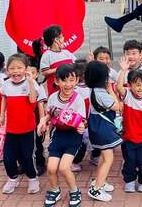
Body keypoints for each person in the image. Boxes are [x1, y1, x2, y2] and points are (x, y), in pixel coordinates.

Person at [37, 64, 86, 207]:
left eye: (72, 80)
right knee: (51, 168)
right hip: (58, 136)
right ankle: (54, 190)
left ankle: (74, 191)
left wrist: (82, 126)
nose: (68, 84)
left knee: (64, 168)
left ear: (76, 80)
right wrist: (43, 123)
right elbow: (49, 115)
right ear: (57, 81)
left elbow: (82, 120)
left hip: (73, 137)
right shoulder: (52, 97)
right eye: (64, 80)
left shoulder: (79, 99)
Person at [0, 54, 44, 194]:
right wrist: (1, 116)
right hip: (11, 129)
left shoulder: (32, 83)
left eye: (19, 67)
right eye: (12, 68)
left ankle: (32, 179)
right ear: (7, 69)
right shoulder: (5, 84)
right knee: (8, 157)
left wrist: (30, 82)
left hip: (28, 129)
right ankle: (12, 179)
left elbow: (32, 102)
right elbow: (4, 100)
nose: (15, 71)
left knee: (27, 156)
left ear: (26, 69)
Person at [86, 61, 122, 202]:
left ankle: (99, 181)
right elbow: (117, 107)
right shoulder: (102, 93)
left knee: (104, 154)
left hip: (97, 125)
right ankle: (96, 189)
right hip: (102, 127)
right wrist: (112, 90)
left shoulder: (93, 89)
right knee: (109, 158)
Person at [34, 25, 76, 96]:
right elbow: (44, 72)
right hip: (56, 91)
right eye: (62, 36)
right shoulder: (47, 55)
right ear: (56, 39)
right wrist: (59, 69)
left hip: (71, 89)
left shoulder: (67, 53)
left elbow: (76, 65)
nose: (64, 38)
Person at [28, 59, 48, 176]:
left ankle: (40, 163)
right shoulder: (21, 86)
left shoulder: (38, 87)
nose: (30, 74)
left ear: (37, 74)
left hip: (36, 120)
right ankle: (25, 163)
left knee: (38, 142)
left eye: (33, 72)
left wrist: (42, 121)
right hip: (23, 120)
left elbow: (41, 105)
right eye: (28, 71)